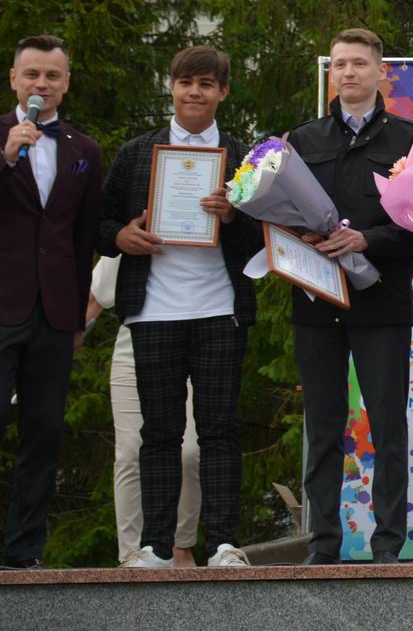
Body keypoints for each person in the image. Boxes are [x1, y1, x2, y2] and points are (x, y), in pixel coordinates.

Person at [98, 45, 259, 569]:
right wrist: (122, 236)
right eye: (186, 82)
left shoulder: (242, 157)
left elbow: (265, 239)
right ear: (171, 86)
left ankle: (225, 545)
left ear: (223, 92)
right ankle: (157, 547)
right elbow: (99, 226)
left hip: (219, 311)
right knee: (160, 434)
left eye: (207, 84)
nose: (195, 92)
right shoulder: (135, 152)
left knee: (219, 430)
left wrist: (234, 215)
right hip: (154, 312)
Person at [287, 28, 413, 564]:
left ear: (379, 72)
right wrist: (297, 238)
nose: (348, 72)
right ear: (332, 73)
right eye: (339, 64)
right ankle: (323, 545)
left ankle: (387, 545)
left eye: (359, 64)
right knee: (322, 429)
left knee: (388, 427)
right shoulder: (302, 141)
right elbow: (281, 214)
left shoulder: (409, 140)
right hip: (317, 301)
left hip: (383, 303)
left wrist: (368, 239)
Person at [0, 35, 102, 569]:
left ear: (65, 83)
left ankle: (23, 553)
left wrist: (79, 309)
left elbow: (82, 236)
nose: (42, 84)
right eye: (32, 75)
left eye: (53, 76)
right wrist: (6, 155)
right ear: (14, 79)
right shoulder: (1, 138)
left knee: (42, 434)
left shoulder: (84, 150)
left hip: (56, 314)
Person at [86, 256, 202, 567]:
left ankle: (180, 547)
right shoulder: (134, 226)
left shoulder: (203, 221)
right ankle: (130, 555)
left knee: (189, 451)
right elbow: (95, 297)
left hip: (195, 350)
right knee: (130, 453)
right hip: (132, 354)